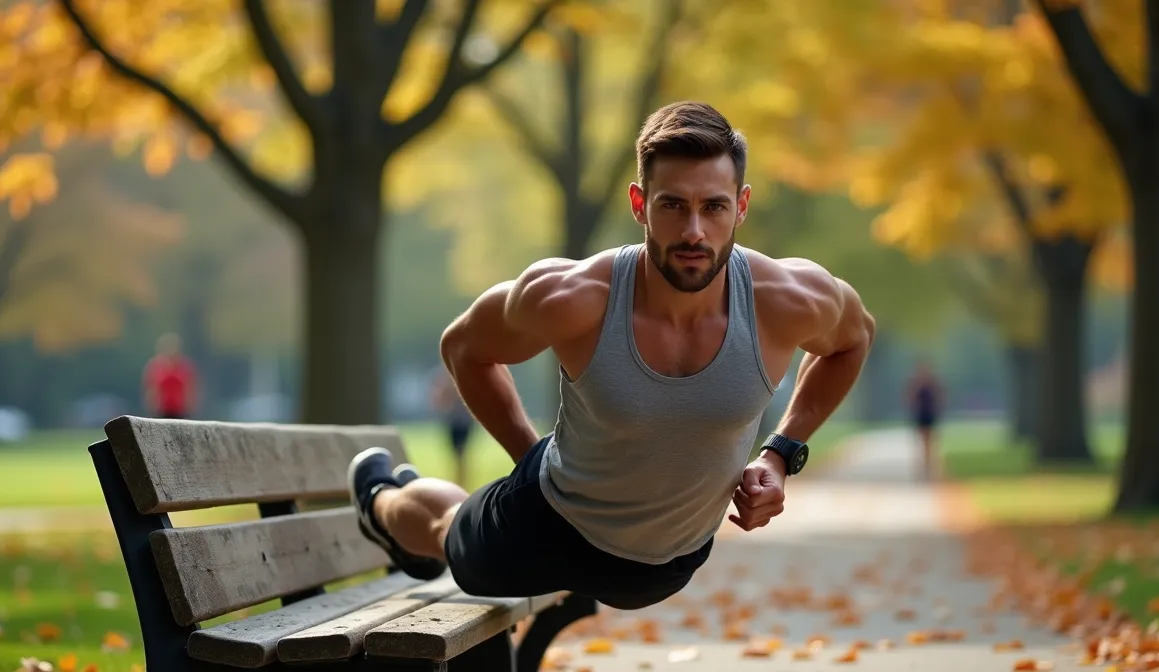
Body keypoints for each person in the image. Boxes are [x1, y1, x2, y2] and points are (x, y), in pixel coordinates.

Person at [348, 101, 876, 610]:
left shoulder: (790, 300)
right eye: (672, 204)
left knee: (510, 548)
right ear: (639, 203)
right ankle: (379, 501)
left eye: (713, 206)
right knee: (447, 531)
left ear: (740, 206)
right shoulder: (569, 298)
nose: (694, 231)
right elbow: (463, 347)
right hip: (547, 520)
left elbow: (854, 340)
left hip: (664, 565)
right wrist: (527, 457)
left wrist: (781, 453)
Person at [430, 365, 475, 485]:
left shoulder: (462, 376)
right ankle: (459, 480)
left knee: (460, 454)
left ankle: (461, 480)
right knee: (457, 455)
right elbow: (439, 400)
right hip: (454, 421)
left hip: (463, 421)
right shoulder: (445, 378)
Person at [143, 333, 197, 420]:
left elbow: (190, 388)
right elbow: (151, 389)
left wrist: (190, 407)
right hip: (161, 411)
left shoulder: (185, 367)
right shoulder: (155, 367)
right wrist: (152, 407)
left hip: (180, 411)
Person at [906, 361, 944, 481]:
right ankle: (924, 466)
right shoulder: (917, 385)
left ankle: (930, 466)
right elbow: (910, 399)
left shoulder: (933, 385)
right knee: (922, 443)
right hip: (921, 416)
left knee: (931, 443)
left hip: (930, 415)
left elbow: (941, 398)